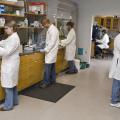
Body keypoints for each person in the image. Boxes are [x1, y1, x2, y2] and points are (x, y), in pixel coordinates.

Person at [0, 21, 20, 111]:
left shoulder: (14, 38)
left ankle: (8, 106)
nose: (5, 30)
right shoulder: (12, 37)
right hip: (12, 64)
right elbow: (4, 42)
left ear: (12, 28)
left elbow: (6, 52)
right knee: (13, 84)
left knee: (8, 85)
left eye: (6, 28)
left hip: (10, 65)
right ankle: (14, 101)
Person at [39, 18, 59, 88]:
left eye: (44, 25)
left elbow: (52, 43)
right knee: (52, 67)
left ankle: (46, 82)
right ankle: (53, 80)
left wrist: (45, 49)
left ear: (47, 23)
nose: (44, 27)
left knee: (47, 68)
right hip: (52, 51)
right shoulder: (51, 29)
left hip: (51, 51)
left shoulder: (53, 30)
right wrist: (45, 42)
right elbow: (50, 40)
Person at [109, 33, 120, 108]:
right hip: (118, 61)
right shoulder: (119, 37)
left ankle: (114, 97)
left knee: (117, 81)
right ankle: (114, 101)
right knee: (117, 81)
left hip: (118, 61)